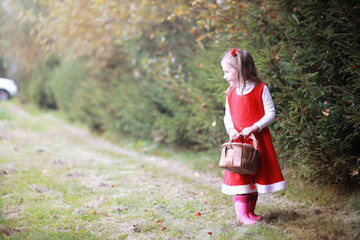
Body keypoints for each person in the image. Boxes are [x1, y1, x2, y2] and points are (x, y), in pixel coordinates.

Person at [221, 48, 286, 225]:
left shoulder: (260, 89)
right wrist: (231, 130)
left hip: (257, 140)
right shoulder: (231, 92)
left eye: (227, 71)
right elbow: (228, 116)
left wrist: (254, 127)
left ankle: (250, 212)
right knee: (241, 176)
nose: (225, 76)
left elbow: (270, 113)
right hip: (238, 141)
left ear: (241, 70)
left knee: (254, 177)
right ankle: (241, 216)